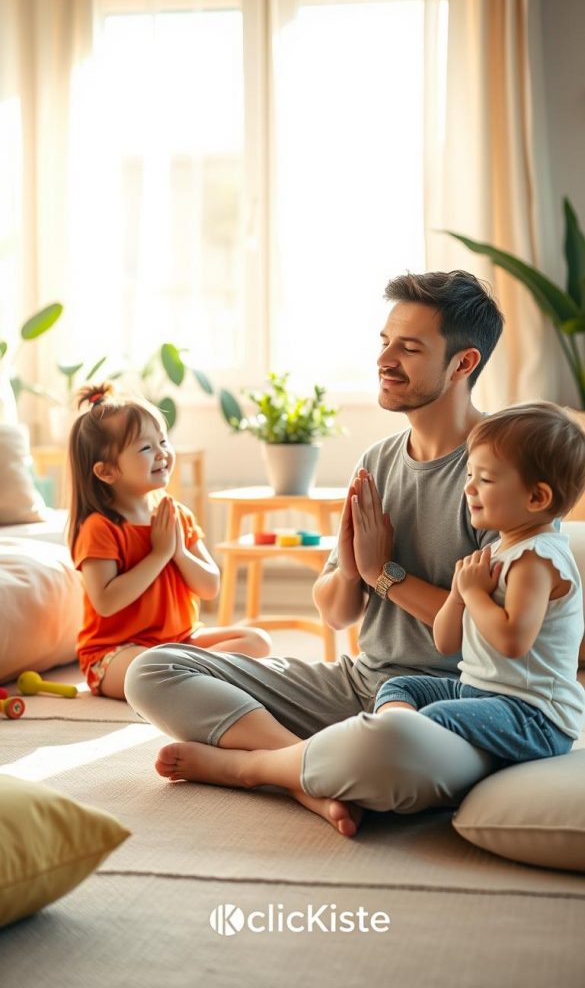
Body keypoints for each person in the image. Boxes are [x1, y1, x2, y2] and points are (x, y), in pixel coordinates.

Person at [125, 270, 505, 834]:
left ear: (463, 363)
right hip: (359, 685)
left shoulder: (502, 464)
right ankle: (300, 771)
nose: (385, 359)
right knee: (152, 669)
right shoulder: (378, 460)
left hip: (452, 700)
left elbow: (493, 632)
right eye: (384, 342)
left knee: (389, 753)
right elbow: (335, 612)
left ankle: (260, 767)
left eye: (409, 347)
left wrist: (384, 573)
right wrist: (353, 568)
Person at [370, 402, 585, 763]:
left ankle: (400, 748)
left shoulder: (535, 559)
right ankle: (397, 742)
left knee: (435, 718)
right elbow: (445, 641)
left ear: (537, 497)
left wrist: (473, 593)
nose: (469, 489)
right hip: (480, 692)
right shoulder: (498, 550)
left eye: (484, 479)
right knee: (400, 686)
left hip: (533, 717)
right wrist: (457, 596)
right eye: (469, 475)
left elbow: (512, 641)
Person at [68, 383, 270, 700]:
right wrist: (159, 554)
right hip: (117, 654)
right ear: (106, 472)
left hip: (181, 641)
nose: (162, 452)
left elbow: (209, 586)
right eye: (145, 448)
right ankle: (199, 676)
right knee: (149, 665)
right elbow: (106, 602)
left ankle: (192, 675)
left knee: (257, 641)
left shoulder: (175, 515)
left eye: (162, 441)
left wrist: (178, 553)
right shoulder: (100, 527)